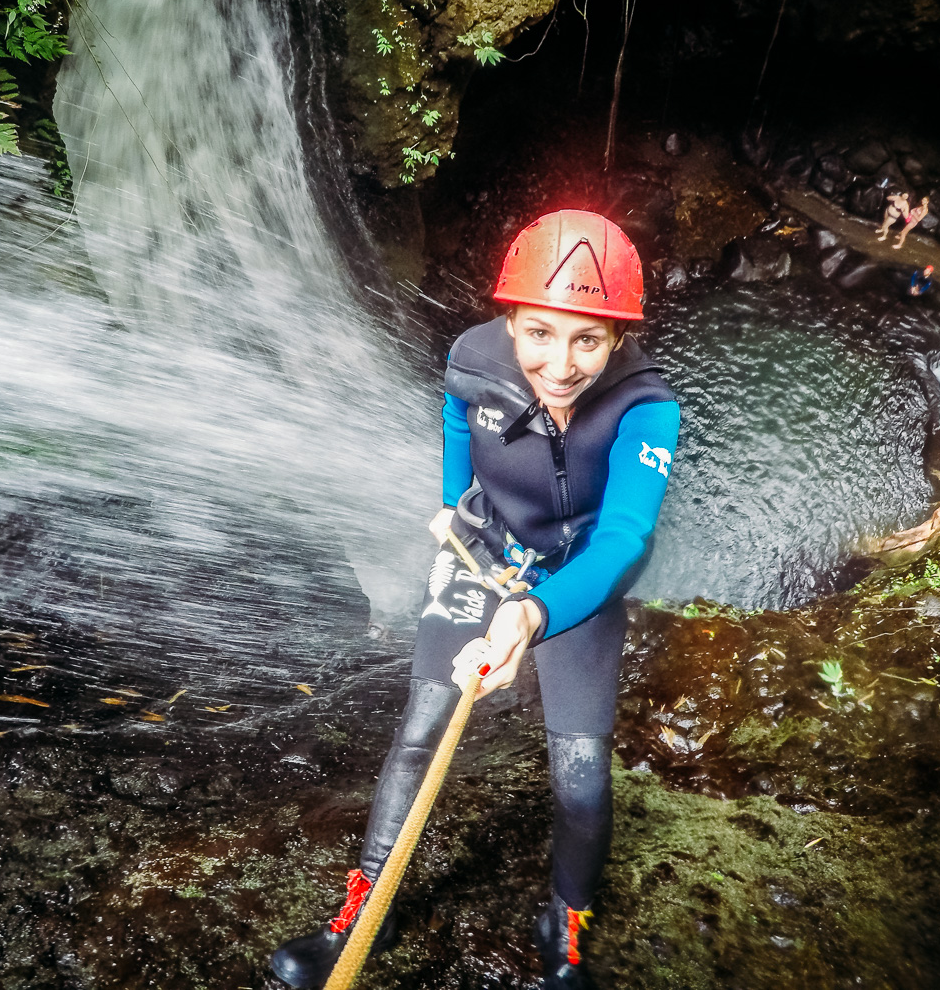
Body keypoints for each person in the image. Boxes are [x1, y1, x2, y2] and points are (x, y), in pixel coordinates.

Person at [270, 211, 681, 990]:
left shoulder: (648, 408)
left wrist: (535, 611)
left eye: (587, 339)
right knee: (422, 726)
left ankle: (566, 924)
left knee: (583, 770)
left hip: (574, 579)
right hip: (483, 559)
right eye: (539, 334)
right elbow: (460, 454)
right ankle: (368, 910)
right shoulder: (469, 360)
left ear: (621, 336)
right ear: (509, 320)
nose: (560, 365)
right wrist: (459, 520)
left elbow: (626, 538)